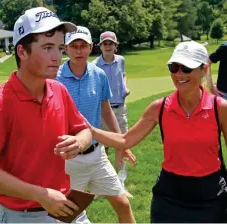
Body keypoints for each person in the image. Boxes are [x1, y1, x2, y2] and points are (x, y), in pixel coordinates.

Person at [0, 7, 93, 223]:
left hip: (67, 208)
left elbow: (84, 130)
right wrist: (41, 195)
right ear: (22, 52)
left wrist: (79, 142)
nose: (57, 56)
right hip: (24, 217)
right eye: (47, 48)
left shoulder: (59, 90)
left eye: (59, 47)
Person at [89, 41, 227, 223]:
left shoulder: (220, 108)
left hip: (210, 197)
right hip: (169, 197)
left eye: (187, 68)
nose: (179, 74)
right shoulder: (159, 108)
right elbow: (125, 141)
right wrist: (89, 130)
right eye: (173, 67)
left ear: (204, 69)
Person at [55, 26, 136, 223]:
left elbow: (106, 110)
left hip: (97, 156)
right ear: (66, 48)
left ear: (91, 47)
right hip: (69, 161)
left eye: (83, 45)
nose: (79, 50)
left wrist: (120, 143)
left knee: (123, 205)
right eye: (74, 46)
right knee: (66, 216)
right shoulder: (55, 78)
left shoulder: (99, 74)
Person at [92, 31, 133, 196]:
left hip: (120, 109)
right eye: (105, 43)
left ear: (116, 46)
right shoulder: (94, 65)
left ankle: (120, 181)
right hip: (102, 111)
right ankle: (100, 182)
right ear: (100, 46)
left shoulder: (121, 60)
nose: (108, 46)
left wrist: (125, 87)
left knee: (121, 144)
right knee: (101, 147)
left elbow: (123, 75)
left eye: (111, 43)